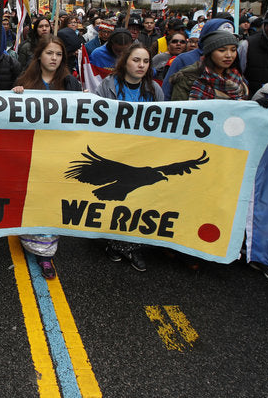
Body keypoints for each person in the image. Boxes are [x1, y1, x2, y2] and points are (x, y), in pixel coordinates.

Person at [13, 35, 81, 279]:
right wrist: (16, 95)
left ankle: (46, 254)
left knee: (52, 201)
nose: (54, 58)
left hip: (60, 154)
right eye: (50, 53)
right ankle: (29, 240)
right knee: (33, 199)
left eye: (58, 54)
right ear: (39, 55)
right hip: (33, 154)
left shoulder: (71, 83)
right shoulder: (26, 82)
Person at [94, 43, 163, 271]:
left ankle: (132, 247)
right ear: (125, 62)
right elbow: (96, 118)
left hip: (144, 156)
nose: (141, 65)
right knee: (119, 199)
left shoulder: (155, 89)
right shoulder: (108, 85)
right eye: (136, 60)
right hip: (116, 154)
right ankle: (115, 243)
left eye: (145, 61)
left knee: (138, 201)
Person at [161, 16, 235, 100]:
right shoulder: (183, 60)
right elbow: (166, 93)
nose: (228, 55)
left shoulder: (234, 66)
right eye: (220, 39)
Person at [169, 31, 248, 101]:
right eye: (222, 50)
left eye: (233, 50)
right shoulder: (188, 77)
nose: (229, 55)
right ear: (210, 53)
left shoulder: (236, 77)